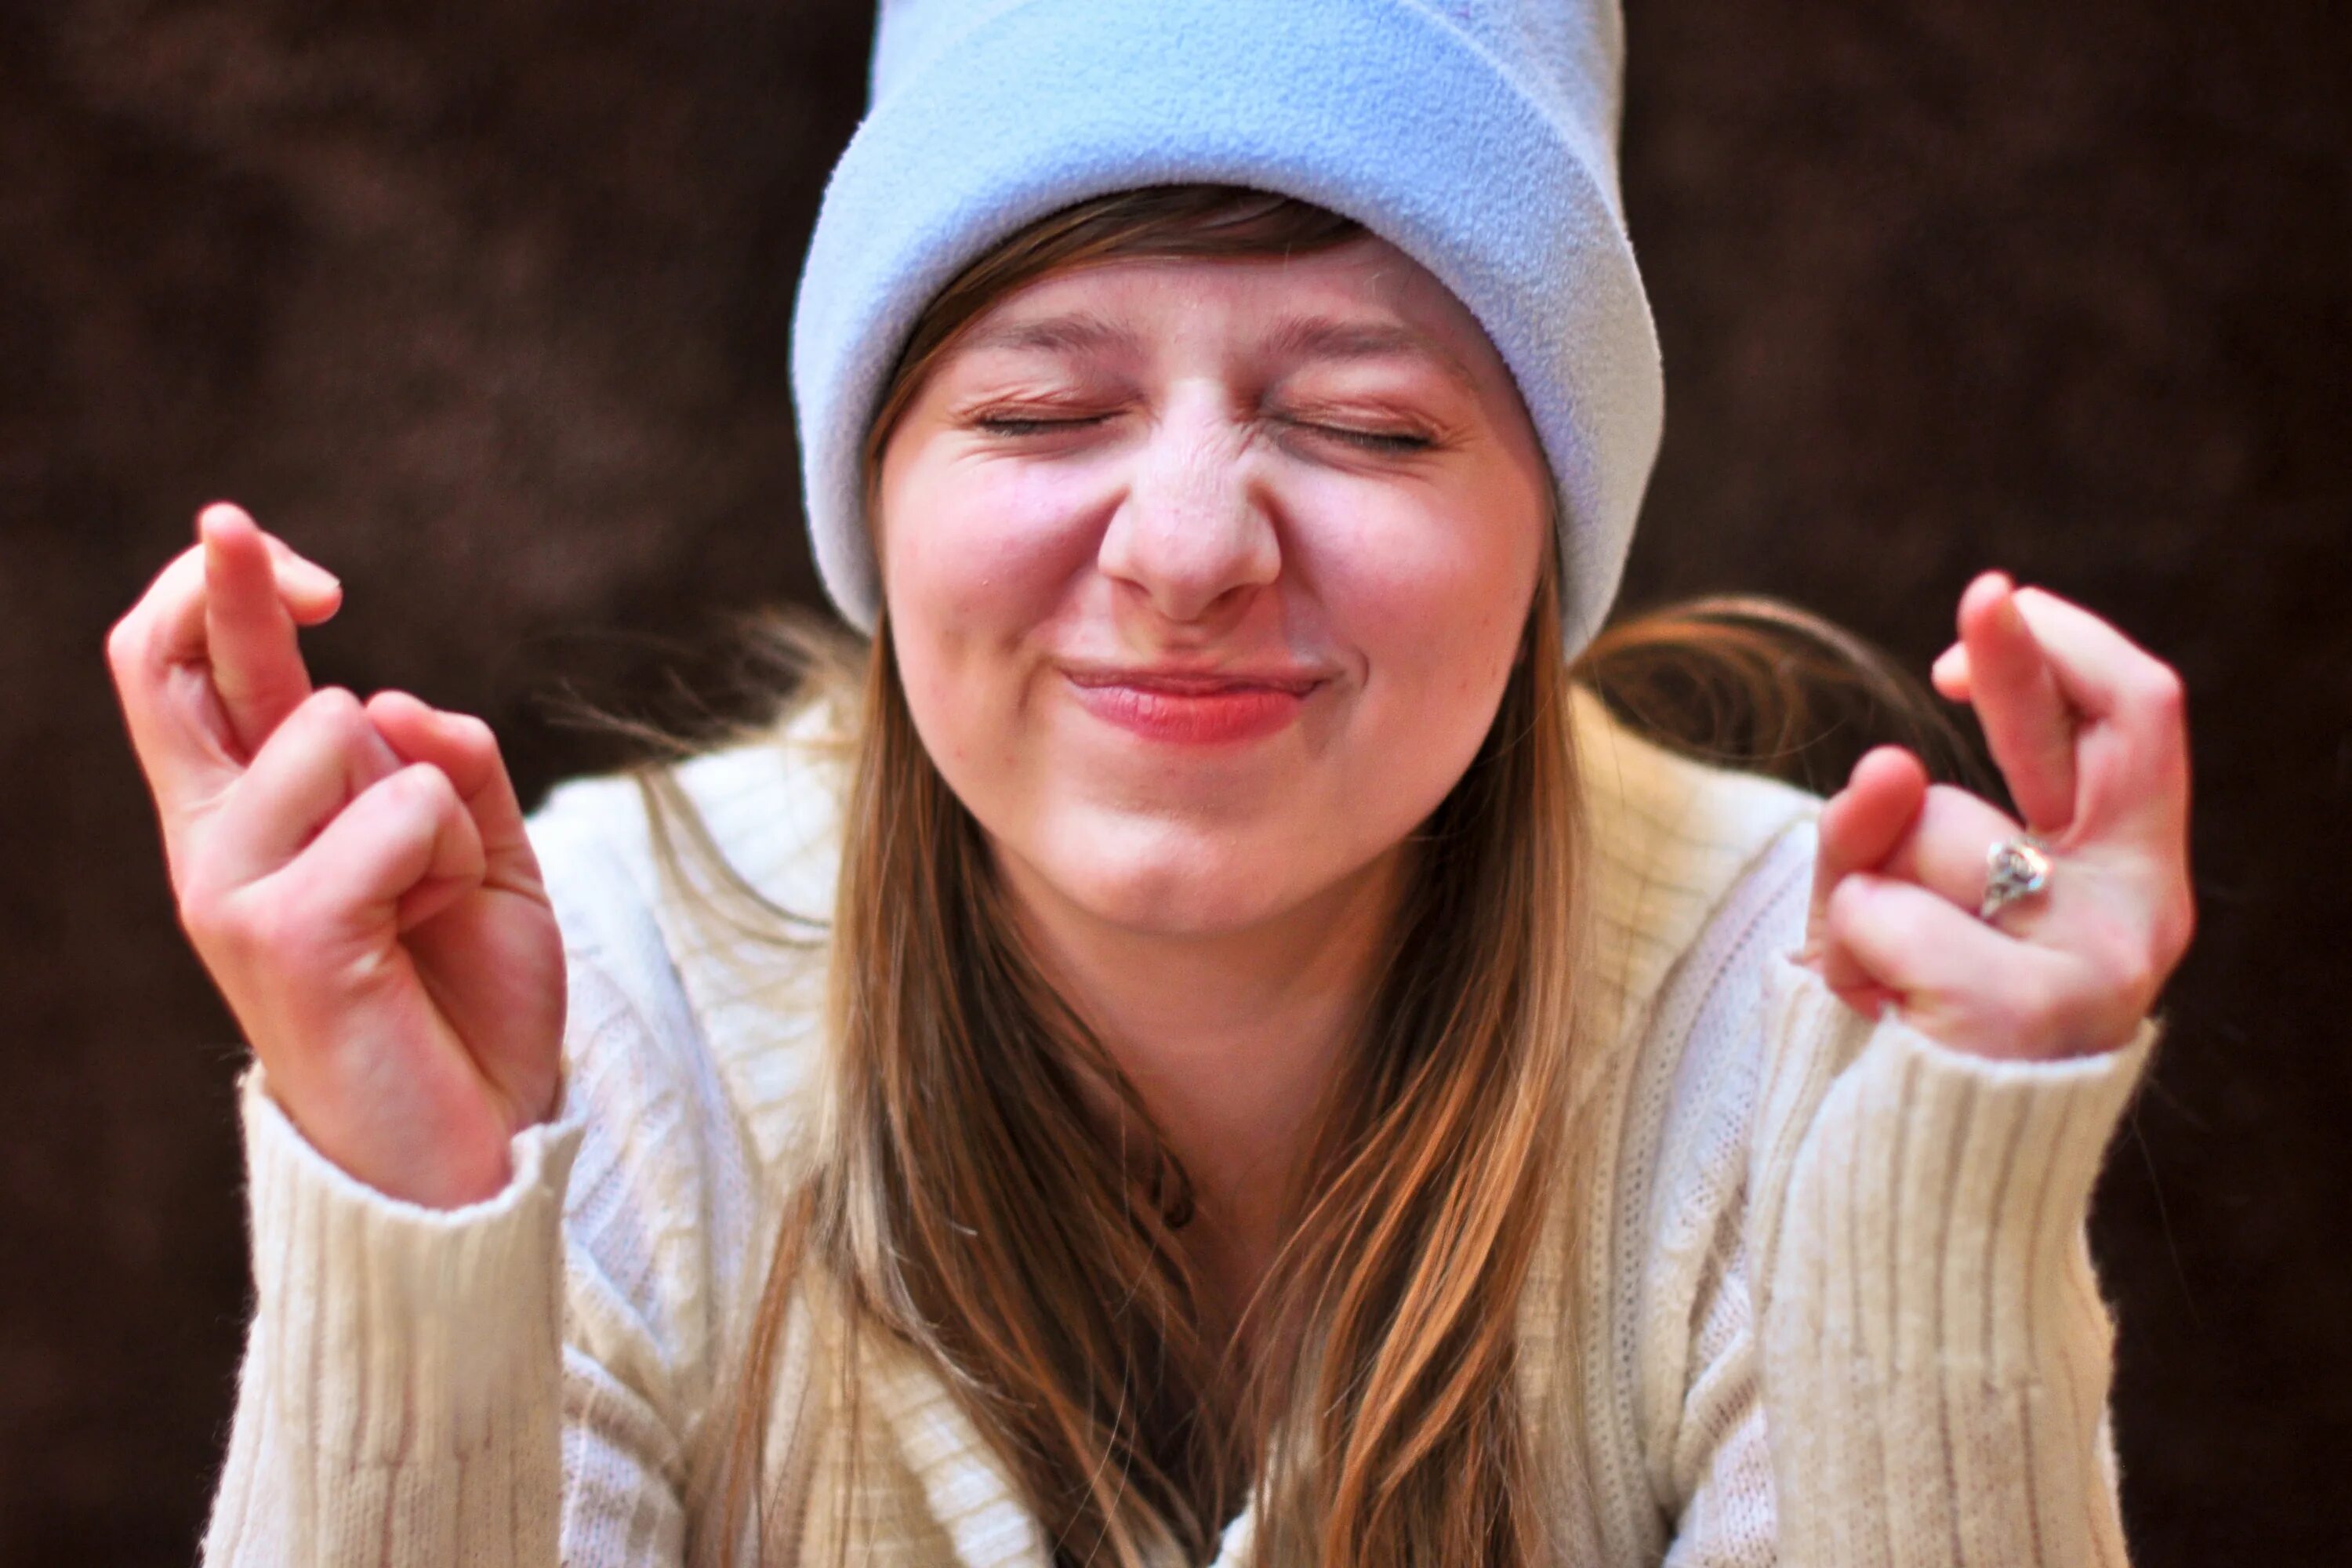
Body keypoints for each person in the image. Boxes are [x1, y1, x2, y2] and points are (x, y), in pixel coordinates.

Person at [105, 2, 2194, 1564]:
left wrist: (1953, 1177)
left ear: (1548, 527)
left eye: (1369, 425)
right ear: (880, 492)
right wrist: (416, 1213)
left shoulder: (1815, 1014)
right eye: (1041, 407)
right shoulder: (596, 996)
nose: (1189, 552)